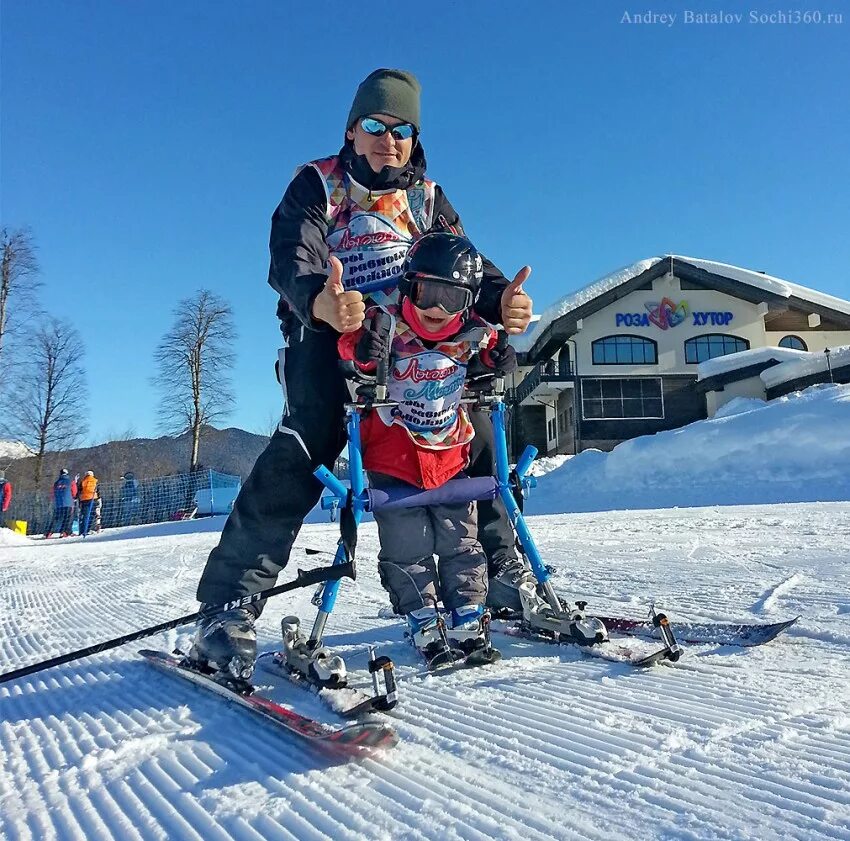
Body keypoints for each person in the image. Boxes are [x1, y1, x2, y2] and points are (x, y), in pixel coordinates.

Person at [191, 68, 533, 675]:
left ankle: (502, 571)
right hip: (331, 336)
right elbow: (291, 254)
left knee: (475, 431)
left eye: (401, 130)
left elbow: (467, 265)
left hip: (422, 341)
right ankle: (228, 607)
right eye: (375, 126)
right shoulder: (316, 185)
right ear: (352, 131)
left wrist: (501, 302)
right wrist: (320, 301)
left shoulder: (427, 198)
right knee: (306, 444)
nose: (388, 139)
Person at [339, 232, 517, 662]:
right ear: (408, 287)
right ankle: (421, 615)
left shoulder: (474, 332)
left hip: (451, 457)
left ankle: (468, 614)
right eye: (427, 293)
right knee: (408, 545)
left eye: (451, 298)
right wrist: (365, 351)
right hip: (393, 459)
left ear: (469, 301)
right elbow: (354, 352)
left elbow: (490, 355)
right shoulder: (384, 324)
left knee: (462, 542)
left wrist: (497, 361)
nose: (437, 309)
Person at [46, 468, 76, 538]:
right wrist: (74, 498)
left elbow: (52, 493)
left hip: (58, 504)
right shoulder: (71, 481)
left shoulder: (56, 483)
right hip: (68, 503)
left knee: (56, 518)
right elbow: (74, 492)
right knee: (67, 518)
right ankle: (65, 532)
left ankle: (49, 532)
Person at [77, 470, 99, 537]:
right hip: (93, 499)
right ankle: (88, 529)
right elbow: (98, 490)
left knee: (85, 515)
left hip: (84, 500)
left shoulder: (83, 481)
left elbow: (79, 491)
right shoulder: (95, 481)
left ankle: (83, 530)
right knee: (92, 515)